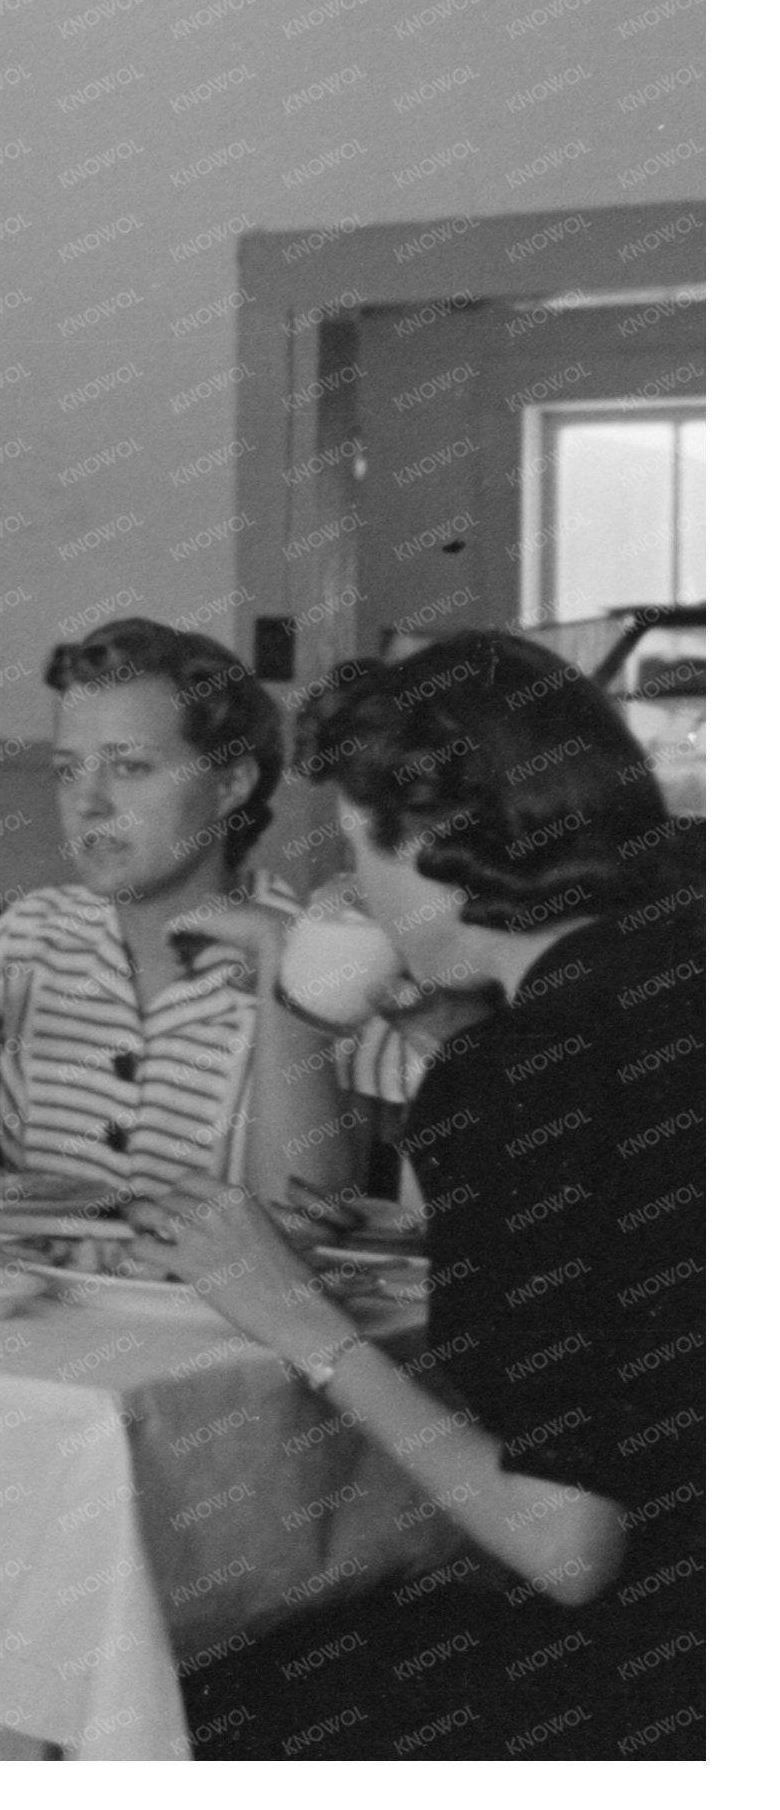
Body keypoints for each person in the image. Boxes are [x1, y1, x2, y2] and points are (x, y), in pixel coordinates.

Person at [159, 631, 700, 1758]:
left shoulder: (521, 1077)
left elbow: (566, 1544)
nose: (354, 888)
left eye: (360, 846)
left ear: (447, 845)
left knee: (209, 1674)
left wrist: (305, 1329)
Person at [0, 617, 355, 1199]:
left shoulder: (316, 954)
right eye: (67, 770)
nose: (89, 803)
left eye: (130, 767)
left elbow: (307, 1211)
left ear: (230, 785)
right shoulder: (32, 936)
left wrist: (279, 961)